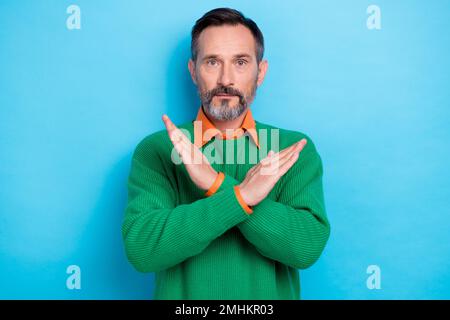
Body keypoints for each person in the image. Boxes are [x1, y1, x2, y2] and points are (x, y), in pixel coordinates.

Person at [122, 7, 330, 300]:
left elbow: (306, 248)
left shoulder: (292, 150)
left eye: (241, 62)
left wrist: (216, 184)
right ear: (194, 71)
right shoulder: (158, 150)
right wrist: (240, 197)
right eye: (212, 62)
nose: (226, 79)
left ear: (261, 72)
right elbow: (143, 251)